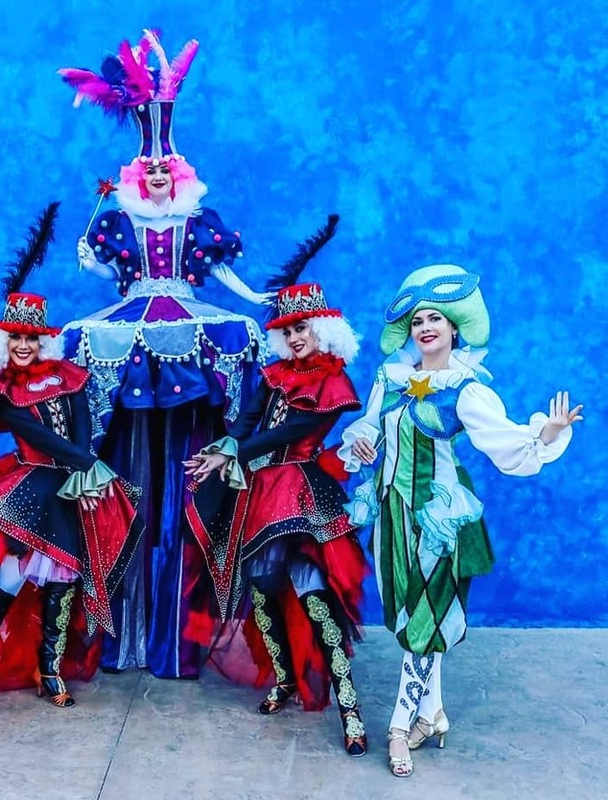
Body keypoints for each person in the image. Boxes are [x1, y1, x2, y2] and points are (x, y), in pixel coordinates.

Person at [59, 29, 270, 678]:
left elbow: (227, 278)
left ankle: (178, 627)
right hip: (131, 313)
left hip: (187, 310)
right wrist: (96, 238)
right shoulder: (117, 220)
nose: (155, 176)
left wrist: (258, 301)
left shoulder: (197, 223)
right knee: (94, 357)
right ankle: (119, 624)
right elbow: (102, 267)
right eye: (147, 170)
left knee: (225, 359)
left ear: (176, 175)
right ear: (135, 175)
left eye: (164, 170)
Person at [337, 263, 582, 777]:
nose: (426, 327)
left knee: (423, 623)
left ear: (454, 326)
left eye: (436, 318)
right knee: (408, 617)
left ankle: (400, 728)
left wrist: (547, 433)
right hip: (391, 515)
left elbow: (505, 442)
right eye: (418, 320)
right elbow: (370, 430)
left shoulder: (464, 389)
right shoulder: (392, 378)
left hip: (438, 517)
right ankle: (434, 715)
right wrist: (362, 444)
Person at [0, 204, 143, 716]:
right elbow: (38, 436)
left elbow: (83, 430)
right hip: (29, 490)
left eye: (31, 338)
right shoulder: (3, 393)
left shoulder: (70, 377)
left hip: (69, 491)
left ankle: (50, 670)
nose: (24, 346)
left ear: (43, 341)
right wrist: (85, 467)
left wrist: (86, 470)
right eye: (16, 338)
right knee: (5, 584)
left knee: (63, 584)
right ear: (3, 343)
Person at [183, 216, 369, 757]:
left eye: (301, 328)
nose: (294, 337)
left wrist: (237, 451)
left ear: (322, 329)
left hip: (304, 491)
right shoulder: (273, 376)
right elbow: (248, 421)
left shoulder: (334, 381)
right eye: (286, 331)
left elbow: (294, 430)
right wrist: (224, 447)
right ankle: (284, 678)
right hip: (261, 493)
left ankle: (349, 705)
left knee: (315, 596)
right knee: (262, 589)